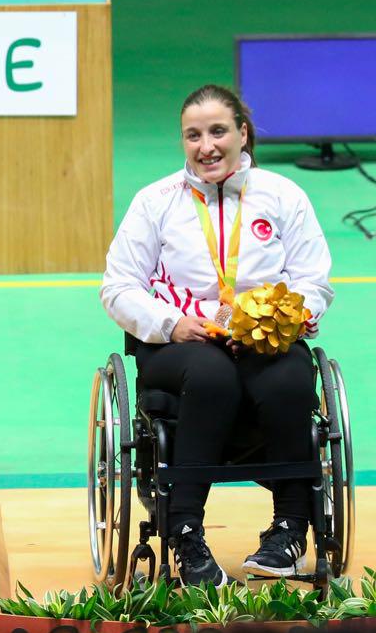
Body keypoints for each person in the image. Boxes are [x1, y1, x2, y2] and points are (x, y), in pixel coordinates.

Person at [101, 84, 333, 586]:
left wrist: (287, 318)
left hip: (262, 343)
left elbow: (315, 282)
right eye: (193, 135)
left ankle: (290, 529)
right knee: (211, 376)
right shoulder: (155, 201)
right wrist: (170, 324)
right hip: (179, 347)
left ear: (242, 134)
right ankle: (185, 530)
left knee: (291, 377)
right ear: (183, 142)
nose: (206, 145)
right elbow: (118, 287)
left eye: (218, 131)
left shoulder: (283, 196)